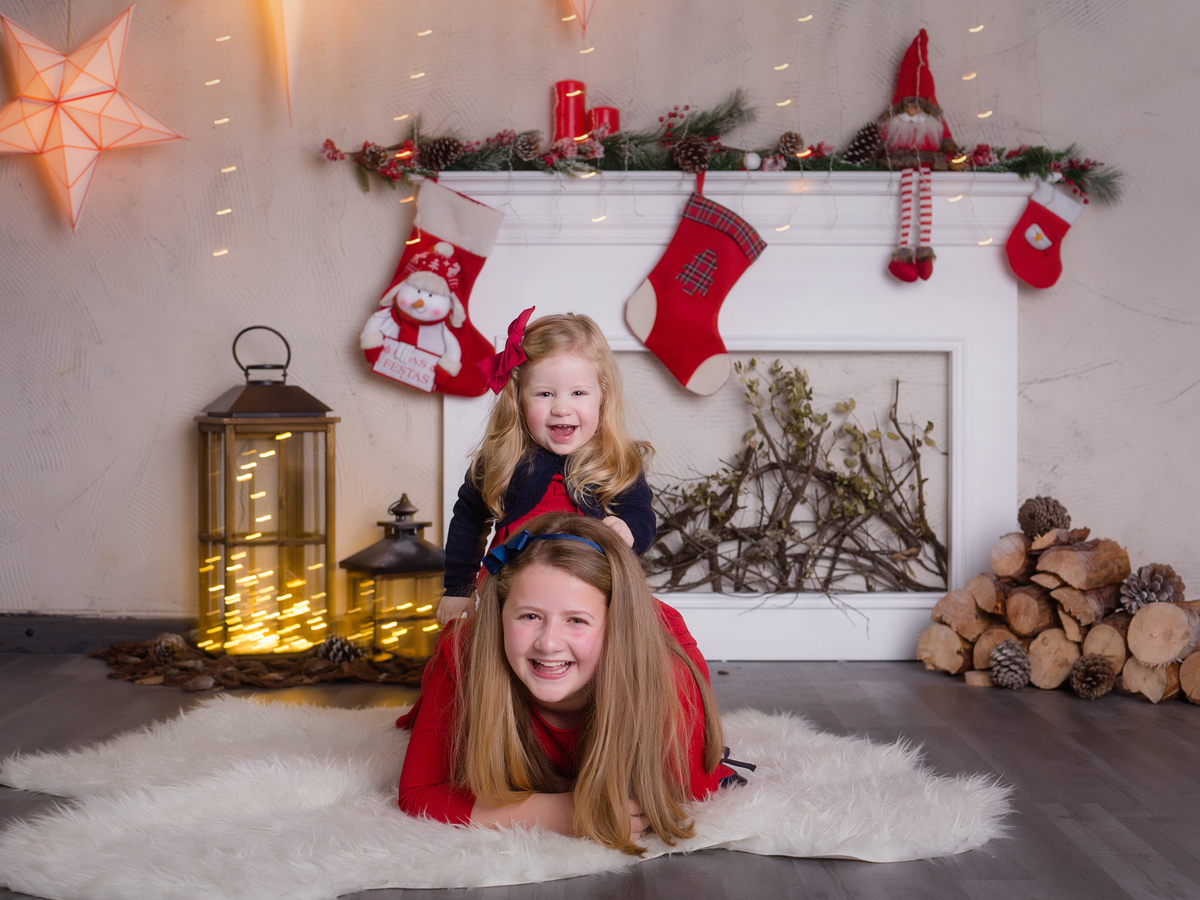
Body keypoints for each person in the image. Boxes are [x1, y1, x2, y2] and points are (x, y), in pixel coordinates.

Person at [397, 513, 742, 854]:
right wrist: (566, 812)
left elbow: (682, 792)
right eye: (530, 616)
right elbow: (419, 793)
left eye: (576, 620)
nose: (548, 643)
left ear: (615, 625)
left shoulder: (665, 673)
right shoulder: (465, 650)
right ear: (499, 615)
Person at [437, 310, 655, 624]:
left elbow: (641, 514)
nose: (561, 408)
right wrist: (458, 588)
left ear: (602, 396)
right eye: (545, 394)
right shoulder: (503, 458)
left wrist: (629, 531)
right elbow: (468, 522)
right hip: (513, 593)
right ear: (519, 399)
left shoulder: (615, 458)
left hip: (594, 596)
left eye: (578, 393)